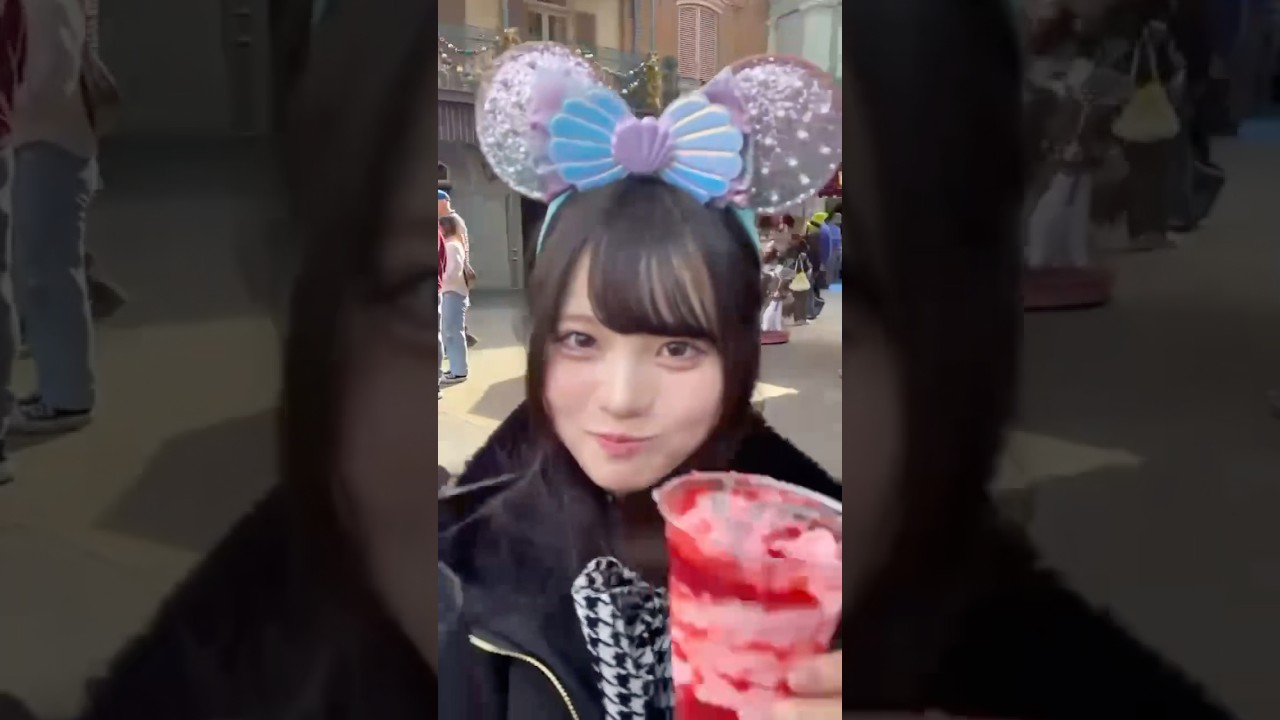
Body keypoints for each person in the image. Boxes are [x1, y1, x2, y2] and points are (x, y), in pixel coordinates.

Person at [72, 2, 1233, 719]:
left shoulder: (995, 643)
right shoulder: (294, 617)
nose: (619, 405)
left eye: (683, 342)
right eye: (577, 338)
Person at [7, 0, 99, 434]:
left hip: (50, 142)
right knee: (41, 274)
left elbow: (51, 77)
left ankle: (67, 398)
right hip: (43, 139)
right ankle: (59, 387)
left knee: (49, 275)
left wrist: (9, 112)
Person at [437, 189, 477, 348]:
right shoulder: (443, 220)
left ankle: (457, 340)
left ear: (444, 202)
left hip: (454, 271)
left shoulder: (454, 220)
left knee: (452, 312)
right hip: (448, 270)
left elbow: (462, 245)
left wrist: (464, 266)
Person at [437, 214, 468, 386]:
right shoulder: (451, 244)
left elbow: (453, 272)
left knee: (453, 333)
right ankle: (456, 368)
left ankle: (459, 371)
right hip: (450, 292)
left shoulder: (451, 246)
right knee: (450, 333)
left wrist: (440, 282)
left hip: (452, 293)